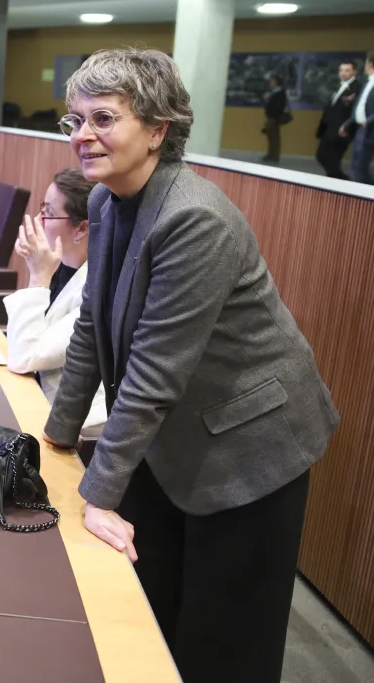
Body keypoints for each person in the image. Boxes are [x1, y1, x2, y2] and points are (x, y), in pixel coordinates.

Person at [45, 48, 339, 683]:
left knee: (224, 642)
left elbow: (156, 370)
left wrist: (94, 492)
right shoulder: (103, 201)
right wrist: (56, 439)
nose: (83, 137)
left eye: (102, 118)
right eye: (73, 121)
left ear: (158, 129)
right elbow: (93, 329)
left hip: (250, 445)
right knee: (151, 606)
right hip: (174, 433)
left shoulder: (194, 217)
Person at [4, 168, 105, 436]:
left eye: (48, 213)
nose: (38, 220)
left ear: (82, 227)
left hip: (76, 431)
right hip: (38, 402)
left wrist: (37, 275)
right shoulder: (62, 264)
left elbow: (24, 357)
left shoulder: (98, 286)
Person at [315, 60, 358, 179]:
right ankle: (338, 179)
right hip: (329, 128)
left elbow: (354, 108)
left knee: (332, 158)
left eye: (347, 70)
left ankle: (338, 181)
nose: (343, 73)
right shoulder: (339, 86)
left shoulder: (356, 87)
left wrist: (347, 127)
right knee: (321, 155)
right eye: (341, 70)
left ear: (354, 72)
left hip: (342, 129)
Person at [343, 52, 374, 184]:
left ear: (370, 64)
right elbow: (360, 106)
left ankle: (367, 199)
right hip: (360, 129)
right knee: (355, 166)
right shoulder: (367, 82)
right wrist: (347, 123)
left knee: (360, 168)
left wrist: (368, 121)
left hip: (369, 129)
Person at [262, 74, 288, 164]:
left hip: (274, 118)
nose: (270, 82)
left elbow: (279, 107)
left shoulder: (280, 94)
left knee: (275, 138)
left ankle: (274, 156)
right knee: (270, 137)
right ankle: (270, 154)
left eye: (272, 81)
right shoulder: (273, 93)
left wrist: (274, 117)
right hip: (270, 117)